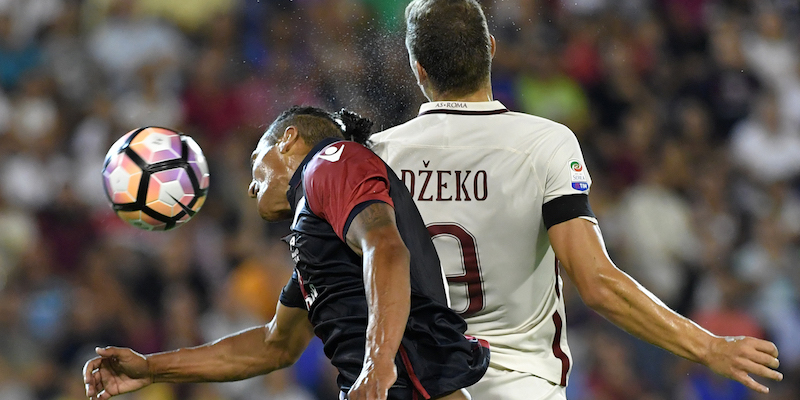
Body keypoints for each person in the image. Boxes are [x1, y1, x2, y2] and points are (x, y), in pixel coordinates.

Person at [369, 0, 784, 398]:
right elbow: (598, 284)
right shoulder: (544, 144)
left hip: (417, 387)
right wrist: (708, 347)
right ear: (491, 49)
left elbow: (330, 285)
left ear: (417, 68)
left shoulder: (376, 156)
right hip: (522, 387)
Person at [83, 106, 490, 400]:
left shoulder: (329, 161)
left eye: (254, 161)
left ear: (288, 139)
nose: (249, 185)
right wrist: (152, 368)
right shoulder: (322, 239)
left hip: (403, 387)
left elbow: (385, 249)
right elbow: (275, 345)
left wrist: (378, 363)